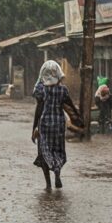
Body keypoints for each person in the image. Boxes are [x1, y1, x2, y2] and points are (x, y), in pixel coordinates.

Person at [30, 60, 82, 190]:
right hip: (58, 125)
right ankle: (57, 174)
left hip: (45, 125)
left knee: (44, 153)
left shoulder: (42, 90)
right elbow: (70, 107)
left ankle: (48, 185)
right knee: (57, 150)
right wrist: (79, 119)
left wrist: (34, 128)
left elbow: (39, 109)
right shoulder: (63, 90)